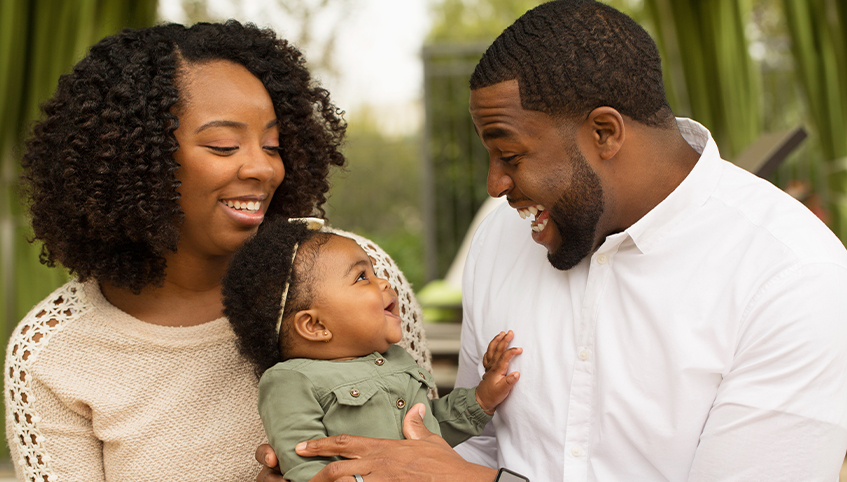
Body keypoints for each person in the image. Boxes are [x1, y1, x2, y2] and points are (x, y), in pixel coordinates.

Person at [258, 1, 847, 481]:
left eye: (510, 155)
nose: (494, 186)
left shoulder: (794, 275)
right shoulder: (500, 239)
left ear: (605, 132)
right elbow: (473, 444)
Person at [4, 20, 433, 481]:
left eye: (272, 144)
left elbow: (431, 450)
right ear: (135, 160)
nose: (264, 167)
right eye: (224, 145)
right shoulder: (53, 353)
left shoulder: (355, 276)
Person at [222, 217, 520, 482]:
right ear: (314, 326)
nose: (385, 282)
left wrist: (481, 398)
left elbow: (428, 432)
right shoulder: (290, 381)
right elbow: (304, 461)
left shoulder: (396, 359)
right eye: (362, 277)